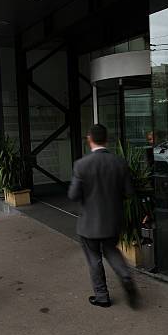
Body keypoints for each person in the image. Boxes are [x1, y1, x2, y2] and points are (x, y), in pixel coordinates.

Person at [68, 124, 139, 309]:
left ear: (89, 139)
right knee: (111, 250)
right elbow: (129, 192)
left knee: (94, 258)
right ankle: (125, 276)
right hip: (112, 221)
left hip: (88, 223)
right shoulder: (119, 162)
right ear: (107, 140)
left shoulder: (81, 165)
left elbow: (73, 195)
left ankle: (102, 297)